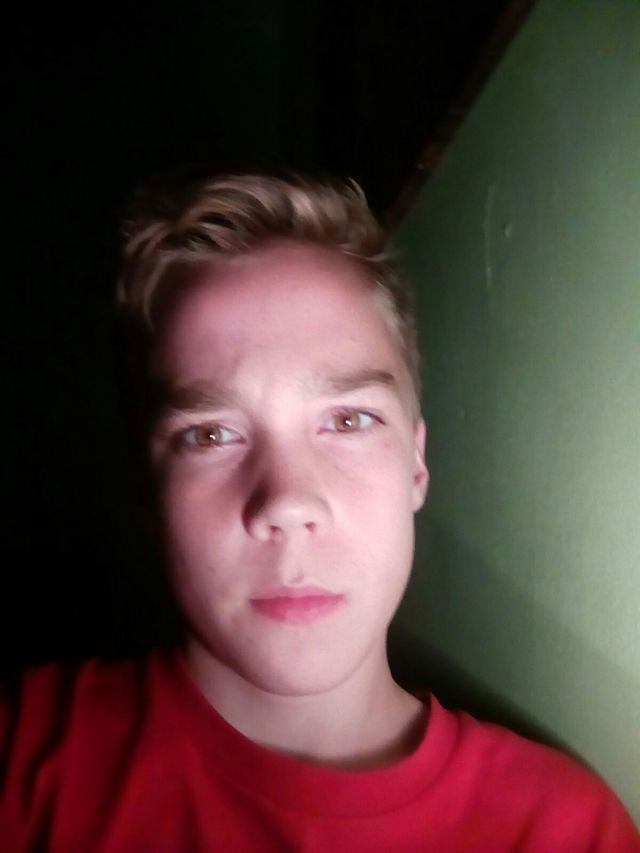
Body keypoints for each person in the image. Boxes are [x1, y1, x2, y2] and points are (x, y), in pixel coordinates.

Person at [1, 173, 638, 852]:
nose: (288, 502)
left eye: (348, 420)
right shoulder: (23, 759)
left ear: (416, 465)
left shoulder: (568, 831)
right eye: (210, 434)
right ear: (147, 492)